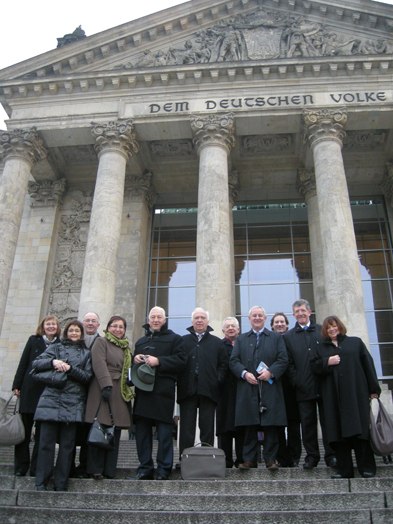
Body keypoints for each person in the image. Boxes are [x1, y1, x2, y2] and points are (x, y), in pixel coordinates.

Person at [311, 316, 381, 479]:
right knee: (338, 433)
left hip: (356, 395)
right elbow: (313, 367)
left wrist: (373, 389)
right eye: (328, 328)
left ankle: (366, 467)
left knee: (360, 432)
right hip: (333, 397)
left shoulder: (355, 343)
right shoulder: (321, 348)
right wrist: (327, 361)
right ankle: (345, 470)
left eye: (334, 326)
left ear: (340, 327)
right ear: (325, 331)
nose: (332, 329)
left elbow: (368, 365)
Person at [32, 319, 92, 491]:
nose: (74, 333)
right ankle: (41, 481)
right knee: (45, 444)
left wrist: (70, 369)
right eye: (71, 330)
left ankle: (61, 482)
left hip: (73, 402)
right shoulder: (55, 348)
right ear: (66, 333)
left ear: (81, 334)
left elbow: (87, 377)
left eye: (77, 331)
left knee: (67, 446)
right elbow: (36, 364)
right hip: (51, 400)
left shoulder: (86, 353)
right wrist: (53, 362)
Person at [229, 306, 288, 470]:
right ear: (249, 319)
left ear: (264, 318)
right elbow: (233, 361)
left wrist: (271, 372)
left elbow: (283, 359)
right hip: (248, 387)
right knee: (249, 425)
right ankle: (249, 459)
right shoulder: (241, 339)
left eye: (259, 315)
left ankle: (271, 459)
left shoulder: (276, 337)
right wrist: (244, 373)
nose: (256, 318)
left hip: (269, 387)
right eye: (253, 315)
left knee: (270, 425)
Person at [132, 307, 186, 480]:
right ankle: (145, 468)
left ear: (164, 320)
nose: (155, 320)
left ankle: (163, 469)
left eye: (159, 317)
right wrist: (135, 360)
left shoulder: (175, 339)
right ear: (148, 320)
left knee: (164, 434)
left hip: (163, 393)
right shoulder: (140, 342)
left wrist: (159, 361)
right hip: (143, 393)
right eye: (152, 317)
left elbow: (181, 361)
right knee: (142, 434)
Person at [284, 299, 336, 469]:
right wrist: (296, 381)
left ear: (309, 312)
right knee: (307, 424)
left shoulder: (322, 331)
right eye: (297, 311)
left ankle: (331, 455)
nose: (300, 314)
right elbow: (289, 363)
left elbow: (330, 354)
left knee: (328, 422)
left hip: (324, 385)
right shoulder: (289, 336)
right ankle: (312, 456)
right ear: (293, 315)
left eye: (302, 311)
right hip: (303, 388)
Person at [12, 315, 61, 477]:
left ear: (58, 327)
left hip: (48, 391)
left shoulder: (60, 344)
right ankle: (21, 466)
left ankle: (36, 468)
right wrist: (17, 385)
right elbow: (23, 363)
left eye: (54, 324)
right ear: (43, 326)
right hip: (30, 388)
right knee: (24, 432)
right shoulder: (33, 340)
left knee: (42, 434)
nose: (51, 326)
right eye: (48, 324)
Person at [177, 308, 228, 463]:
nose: (199, 320)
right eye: (197, 318)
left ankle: (207, 460)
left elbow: (224, 364)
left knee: (207, 427)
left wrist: (217, 379)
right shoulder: (182, 341)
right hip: (187, 389)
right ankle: (184, 460)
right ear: (192, 322)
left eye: (203, 318)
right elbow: (177, 362)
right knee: (187, 428)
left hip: (209, 389)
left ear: (207, 322)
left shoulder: (217, 342)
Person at [85, 315, 133, 479]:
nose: (118, 329)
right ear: (108, 327)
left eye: (121, 327)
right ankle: (95, 469)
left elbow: (128, 369)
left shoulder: (126, 347)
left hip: (119, 391)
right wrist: (106, 385)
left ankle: (109, 469)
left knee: (115, 431)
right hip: (103, 389)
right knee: (100, 427)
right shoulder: (101, 342)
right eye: (114, 326)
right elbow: (98, 363)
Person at [70, 311, 101, 479]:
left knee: (89, 431)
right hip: (72, 393)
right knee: (72, 432)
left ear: (98, 325)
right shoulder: (71, 342)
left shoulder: (102, 342)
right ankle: (69, 467)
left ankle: (84, 466)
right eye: (87, 320)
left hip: (93, 392)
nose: (90, 323)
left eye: (93, 321)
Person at [271, 313, 302, 468]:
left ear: (287, 324)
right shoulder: (268, 339)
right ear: (272, 325)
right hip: (275, 386)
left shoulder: (292, 338)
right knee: (277, 425)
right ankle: (282, 456)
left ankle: (295, 456)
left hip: (292, 387)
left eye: (282, 321)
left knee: (294, 423)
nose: (279, 324)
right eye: (276, 322)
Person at [216, 317, 244, 468]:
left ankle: (241, 459)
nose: (231, 328)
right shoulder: (218, 346)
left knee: (241, 426)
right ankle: (225, 461)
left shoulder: (244, 344)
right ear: (223, 330)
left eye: (234, 326)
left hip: (241, 391)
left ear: (238, 329)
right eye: (228, 326)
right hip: (223, 393)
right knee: (224, 427)